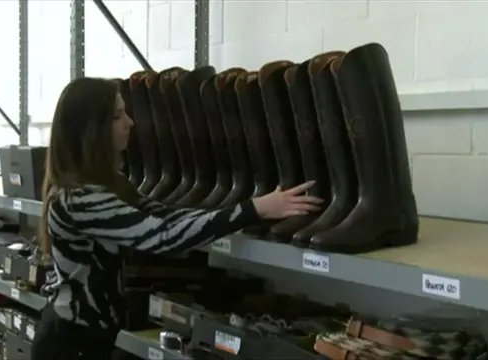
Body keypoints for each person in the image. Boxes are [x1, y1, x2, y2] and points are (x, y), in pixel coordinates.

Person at [30, 77, 324, 360]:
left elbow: (165, 214)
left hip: (86, 338)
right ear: (92, 129)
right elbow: (163, 235)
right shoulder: (78, 199)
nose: (130, 122)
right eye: (118, 116)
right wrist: (252, 209)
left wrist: (251, 209)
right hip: (71, 345)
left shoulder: (105, 185)